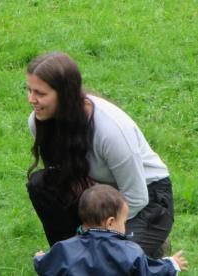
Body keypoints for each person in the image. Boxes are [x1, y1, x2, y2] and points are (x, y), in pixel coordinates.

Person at [26, 52, 174, 258]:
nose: (31, 99)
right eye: (29, 90)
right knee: (40, 183)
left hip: (147, 201)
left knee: (107, 263)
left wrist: (96, 232)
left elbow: (138, 197)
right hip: (98, 195)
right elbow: (65, 177)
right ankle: (69, 256)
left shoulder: (111, 131)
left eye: (40, 93)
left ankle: (153, 247)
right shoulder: (38, 122)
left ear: (65, 94)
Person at [34, 185, 188, 275]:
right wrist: (171, 264)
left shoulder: (64, 249)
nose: (125, 226)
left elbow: (46, 266)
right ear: (110, 223)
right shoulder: (130, 252)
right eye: (124, 221)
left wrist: (39, 258)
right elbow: (148, 272)